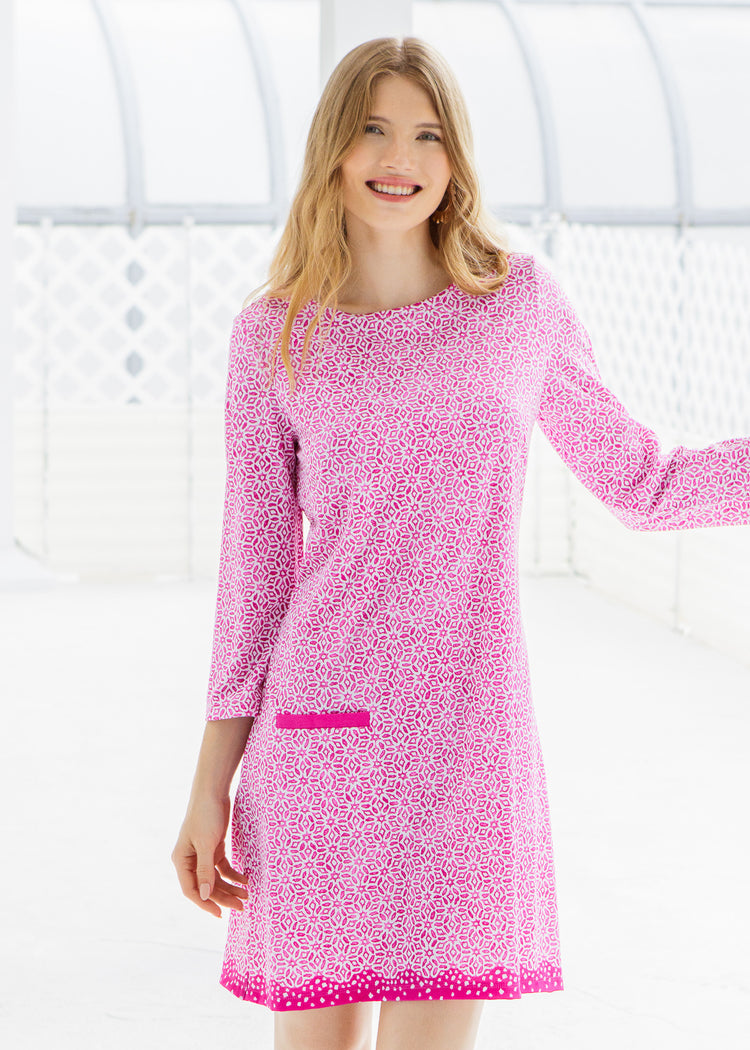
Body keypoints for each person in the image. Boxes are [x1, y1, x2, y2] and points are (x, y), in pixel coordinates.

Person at [171, 36, 750, 1050]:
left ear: (457, 156)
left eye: (428, 133)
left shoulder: (518, 306)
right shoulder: (274, 334)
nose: (401, 157)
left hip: (468, 747)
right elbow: (253, 575)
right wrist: (207, 786)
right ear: (335, 151)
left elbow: (642, 482)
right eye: (374, 128)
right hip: (318, 741)